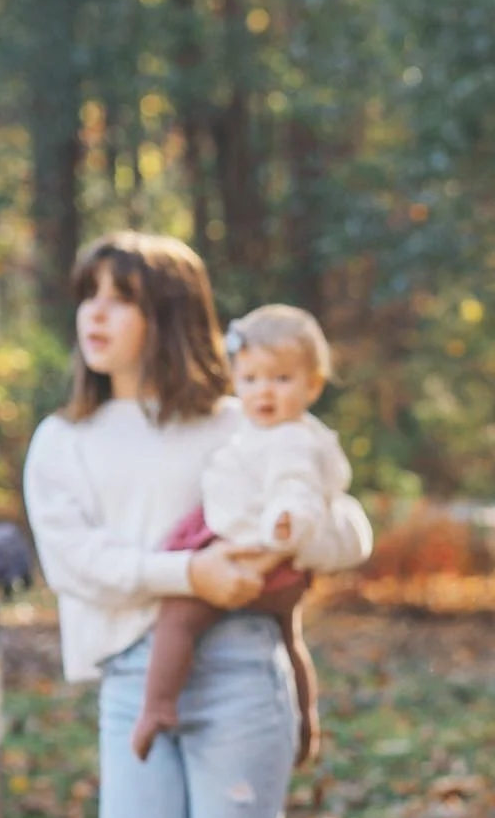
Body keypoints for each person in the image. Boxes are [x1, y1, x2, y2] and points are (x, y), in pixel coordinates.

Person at [23, 232, 375, 818]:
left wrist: (305, 535)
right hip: (131, 684)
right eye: (86, 294)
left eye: (120, 296)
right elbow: (75, 563)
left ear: (168, 313)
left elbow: (347, 526)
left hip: (234, 671)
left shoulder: (239, 418)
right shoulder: (65, 441)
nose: (95, 314)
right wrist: (190, 571)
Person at [131, 302, 353, 764]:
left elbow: (297, 490)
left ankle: (157, 706)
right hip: (276, 565)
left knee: (178, 615)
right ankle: (306, 719)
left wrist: (282, 527)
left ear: (313, 385)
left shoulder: (290, 439)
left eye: (280, 379)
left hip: (253, 553)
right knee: (288, 636)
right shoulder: (280, 430)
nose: (263, 392)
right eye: (250, 379)